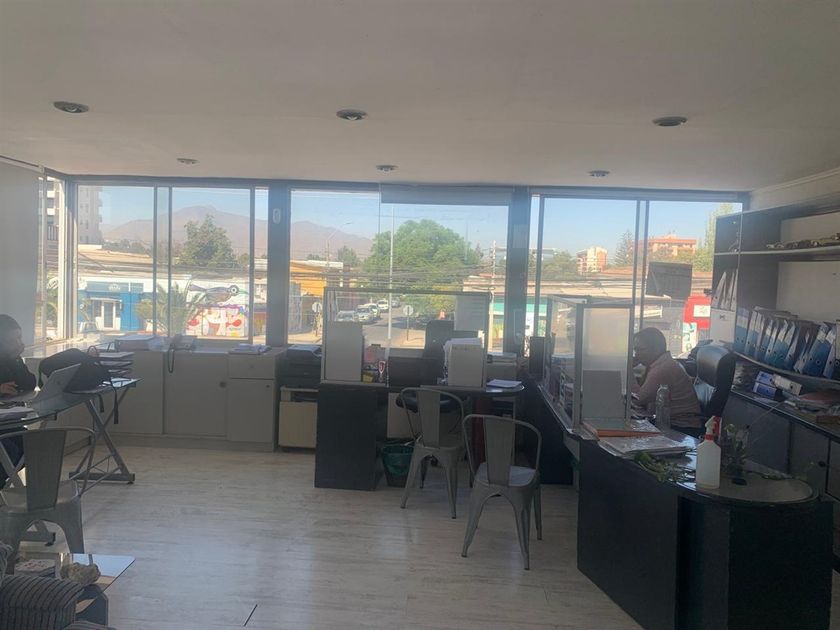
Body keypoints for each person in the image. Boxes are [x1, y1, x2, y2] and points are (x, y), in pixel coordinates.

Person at [632, 327, 705, 438]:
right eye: (635, 350)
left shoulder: (663, 369)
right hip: (671, 423)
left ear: (655, 349)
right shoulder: (660, 363)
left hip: (681, 428)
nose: (636, 355)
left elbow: (636, 400)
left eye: (640, 350)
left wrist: (628, 369)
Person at [0, 315, 34, 485]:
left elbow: (28, 383)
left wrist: (16, 359)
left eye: (19, 338)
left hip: (9, 421)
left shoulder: (11, 358)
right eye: (12, 340)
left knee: (32, 447)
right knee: (10, 452)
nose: (18, 343)